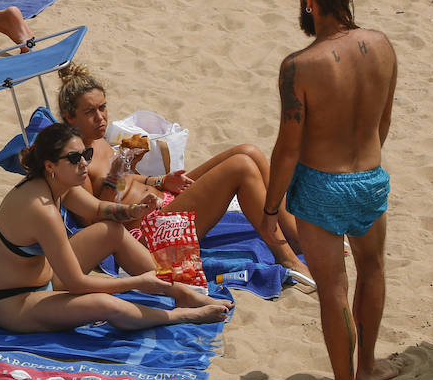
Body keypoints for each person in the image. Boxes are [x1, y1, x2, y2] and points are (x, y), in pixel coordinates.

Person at [261, 0, 399, 380]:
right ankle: (369, 366)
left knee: (333, 290)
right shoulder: (382, 45)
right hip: (371, 178)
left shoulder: (298, 66)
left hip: (322, 184)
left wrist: (270, 208)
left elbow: (287, 149)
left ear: (308, 0)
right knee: (372, 269)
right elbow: (383, 124)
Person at [56, 64, 311, 278]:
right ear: (69, 117)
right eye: (90, 112)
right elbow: (94, 225)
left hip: (164, 201)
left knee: (248, 151)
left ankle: (295, 235)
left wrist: (160, 179)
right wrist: (115, 174)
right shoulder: (75, 160)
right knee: (241, 167)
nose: (101, 117)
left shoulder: (96, 139)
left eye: (103, 107)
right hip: (150, 234)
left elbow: (127, 180)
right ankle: (286, 257)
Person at [0, 123, 233, 333]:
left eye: (87, 154)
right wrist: (136, 282)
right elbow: (77, 284)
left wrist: (134, 211)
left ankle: (183, 294)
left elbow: (96, 209)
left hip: (48, 277)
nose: (84, 163)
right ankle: (182, 315)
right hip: (16, 302)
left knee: (112, 230)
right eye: (74, 158)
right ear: (50, 165)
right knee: (106, 304)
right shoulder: (41, 210)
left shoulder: (56, 183)